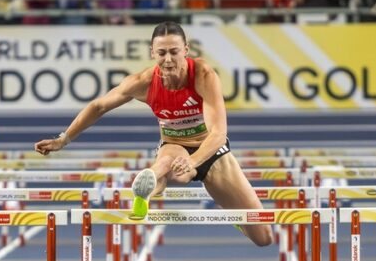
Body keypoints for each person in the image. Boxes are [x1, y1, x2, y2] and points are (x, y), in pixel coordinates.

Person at [34, 21, 273, 247]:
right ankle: (146, 187)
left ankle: (228, 211)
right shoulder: (142, 82)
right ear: (152, 53)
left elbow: (219, 134)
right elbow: (98, 106)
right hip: (173, 144)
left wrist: (193, 161)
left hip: (211, 151)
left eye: (174, 51)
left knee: (263, 237)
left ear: (186, 50)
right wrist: (63, 139)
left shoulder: (203, 75)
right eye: (161, 53)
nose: (168, 59)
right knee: (168, 165)